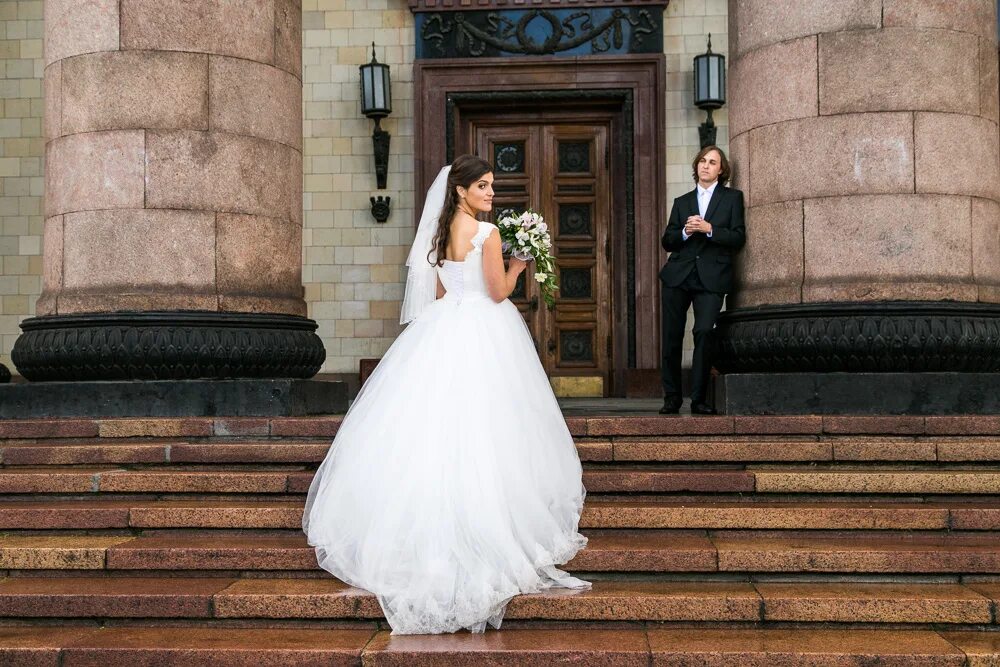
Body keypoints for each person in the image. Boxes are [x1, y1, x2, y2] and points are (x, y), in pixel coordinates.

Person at [303, 154, 590, 635]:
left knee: (436, 425)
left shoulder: (439, 234)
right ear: (460, 190)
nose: (490, 193)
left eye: (492, 186)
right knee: (487, 425)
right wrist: (520, 265)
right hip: (484, 326)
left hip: (443, 328)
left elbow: (437, 294)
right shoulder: (487, 233)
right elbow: (497, 293)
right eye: (483, 186)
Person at [659, 145, 745, 415]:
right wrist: (684, 231)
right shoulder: (682, 201)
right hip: (678, 276)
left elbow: (738, 237)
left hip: (712, 276)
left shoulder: (732, 198)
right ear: (696, 166)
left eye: (712, 162)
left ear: (721, 170)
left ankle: (699, 399)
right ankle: (672, 397)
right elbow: (667, 241)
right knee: (672, 337)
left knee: (704, 332)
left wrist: (710, 230)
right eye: (702, 161)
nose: (706, 165)